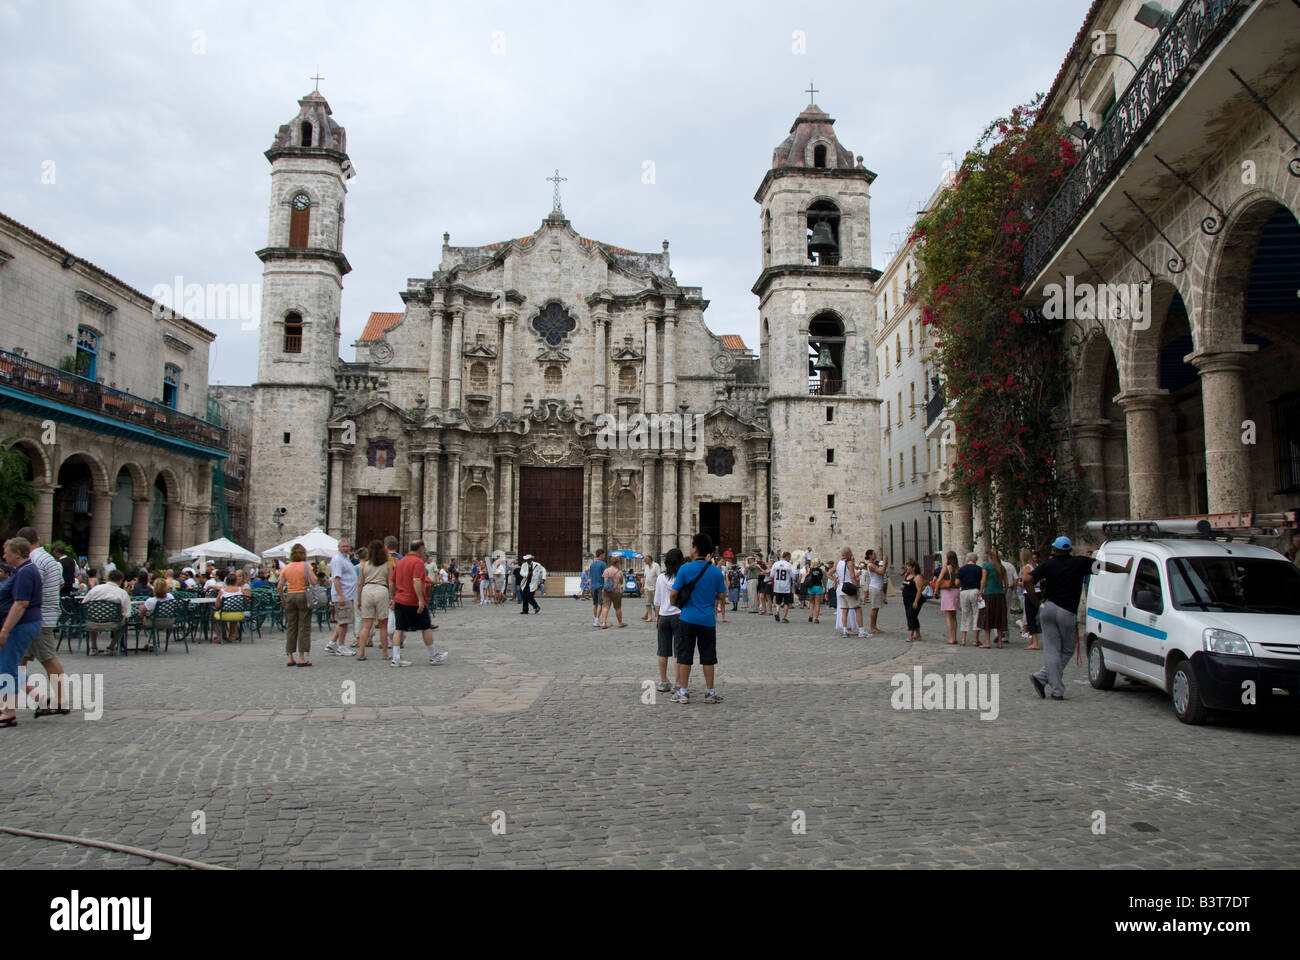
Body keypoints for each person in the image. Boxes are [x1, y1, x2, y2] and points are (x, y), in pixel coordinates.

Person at [1025, 536, 1132, 700]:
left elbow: (1027, 580)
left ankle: (1043, 678)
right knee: (1067, 649)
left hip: (1048, 608)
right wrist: (1125, 569)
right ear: (1069, 550)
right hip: (1066, 611)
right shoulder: (1080, 562)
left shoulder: (1048, 565)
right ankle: (1056, 688)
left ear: (1055, 549)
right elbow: (1103, 566)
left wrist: (1036, 602)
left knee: (1051, 649)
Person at [669, 533, 728, 704]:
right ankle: (710, 692)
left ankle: (683, 691)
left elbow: (674, 593)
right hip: (708, 619)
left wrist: (677, 605)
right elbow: (723, 595)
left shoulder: (685, 569)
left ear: (695, 548)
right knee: (708, 656)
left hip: (687, 617)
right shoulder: (716, 572)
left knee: (684, 655)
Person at [16, 527, 69, 715]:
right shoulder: (50, 559)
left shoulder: (34, 561)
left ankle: (60, 701)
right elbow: (61, 583)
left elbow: (31, 587)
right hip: (46, 614)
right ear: (37, 539)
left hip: (38, 616)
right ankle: (37, 697)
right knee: (17, 660)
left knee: (48, 658)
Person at [0, 538, 45, 728]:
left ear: (17, 553)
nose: (4, 555)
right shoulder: (24, 570)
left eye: (6, 551)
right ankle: (39, 698)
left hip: (20, 625)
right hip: (24, 624)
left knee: (6, 668)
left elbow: (21, 603)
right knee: (10, 664)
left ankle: (8, 712)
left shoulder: (25, 572)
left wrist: (5, 629)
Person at [389, 541, 447, 667]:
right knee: (425, 627)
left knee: (399, 628)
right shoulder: (418, 562)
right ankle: (433, 656)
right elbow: (416, 581)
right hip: (413, 601)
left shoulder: (401, 561)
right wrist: (421, 600)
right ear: (420, 549)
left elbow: (392, 582)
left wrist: (392, 598)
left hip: (399, 599)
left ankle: (396, 657)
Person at [653, 548, 684, 694]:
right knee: (678, 651)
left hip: (664, 616)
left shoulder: (660, 578)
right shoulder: (682, 577)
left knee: (662, 651)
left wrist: (657, 617)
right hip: (679, 615)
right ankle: (678, 683)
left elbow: (657, 601)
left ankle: (664, 681)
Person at [277, 545, 313, 666]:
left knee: (291, 626)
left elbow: (279, 586)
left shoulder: (287, 568)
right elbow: (314, 581)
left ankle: (290, 656)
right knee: (304, 626)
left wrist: (283, 599)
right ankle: (301, 657)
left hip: (291, 596)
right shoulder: (306, 566)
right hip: (303, 595)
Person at [83, 569, 133, 655]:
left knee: (93, 615)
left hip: (93, 622)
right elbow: (127, 613)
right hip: (113, 623)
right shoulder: (122, 593)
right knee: (122, 620)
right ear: (120, 580)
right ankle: (111, 646)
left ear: (108, 578)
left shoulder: (95, 589)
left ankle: (93, 646)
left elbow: (84, 603)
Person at [356, 540, 390, 661]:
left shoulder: (364, 564)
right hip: (381, 590)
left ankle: (361, 652)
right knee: (383, 626)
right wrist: (392, 598)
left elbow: (360, 583)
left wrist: (359, 599)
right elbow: (390, 582)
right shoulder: (387, 564)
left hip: (367, 590)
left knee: (366, 626)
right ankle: (385, 653)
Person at [829, 546, 864, 638]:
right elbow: (852, 577)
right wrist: (856, 589)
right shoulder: (849, 563)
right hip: (849, 588)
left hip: (841, 589)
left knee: (844, 610)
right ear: (848, 554)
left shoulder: (838, 563)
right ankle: (861, 631)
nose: (852, 554)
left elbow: (829, 573)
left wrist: (836, 580)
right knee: (857, 609)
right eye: (851, 552)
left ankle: (845, 630)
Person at [977, 546, 1008, 649]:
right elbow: (1006, 583)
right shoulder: (1001, 567)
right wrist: (1005, 592)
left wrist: (980, 592)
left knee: (987, 616)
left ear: (989, 556)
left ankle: (987, 642)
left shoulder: (987, 566)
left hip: (989, 593)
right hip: (1000, 594)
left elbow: (983, 580)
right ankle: (999, 642)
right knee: (999, 617)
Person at [214, 573, 248, 644]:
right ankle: (231, 636)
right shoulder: (240, 590)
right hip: (238, 614)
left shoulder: (222, 591)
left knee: (215, 615)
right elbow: (247, 600)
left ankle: (220, 636)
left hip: (224, 614)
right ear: (236, 581)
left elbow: (217, 605)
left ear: (226, 582)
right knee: (233, 613)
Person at [1019, 548, 1042, 651]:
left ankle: (1035, 642)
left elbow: (1025, 582)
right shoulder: (1036, 566)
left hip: (1029, 593)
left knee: (1030, 617)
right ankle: (1033, 640)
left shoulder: (1026, 568)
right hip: (1038, 591)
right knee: (1034, 615)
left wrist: (1018, 583)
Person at [901, 558, 927, 643]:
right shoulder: (907, 576)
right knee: (913, 616)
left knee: (911, 616)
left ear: (913, 567)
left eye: (908, 566)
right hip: (906, 600)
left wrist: (916, 601)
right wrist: (903, 588)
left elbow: (919, 590)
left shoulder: (918, 577)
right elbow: (905, 584)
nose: (907, 568)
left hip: (914, 599)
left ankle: (910, 636)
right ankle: (918, 634)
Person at [938, 551, 961, 645]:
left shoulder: (946, 568)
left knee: (948, 616)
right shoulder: (958, 569)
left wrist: (936, 590)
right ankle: (955, 636)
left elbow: (939, 580)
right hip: (956, 591)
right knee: (954, 616)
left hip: (947, 592)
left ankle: (951, 638)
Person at [865, 550, 888, 635]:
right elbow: (881, 572)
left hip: (878, 587)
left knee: (877, 608)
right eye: (874, 554)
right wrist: (885, 563)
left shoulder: (874, 564)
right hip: (875, 587)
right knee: (874, 608)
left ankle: (874, 626)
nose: (875, 555)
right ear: (870, 555)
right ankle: (872, 627)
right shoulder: (870, 565)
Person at [770, 550, 795, 623]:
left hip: (777, 586)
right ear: (787, 557)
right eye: (789, 557)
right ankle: (784, 617)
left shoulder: (776, 564)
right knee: (786, 603)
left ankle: (777, 612)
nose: (789, 559)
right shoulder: (789, 565)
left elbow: (771, 575)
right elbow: (793, 576)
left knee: (778, 602)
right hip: (786, 586)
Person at [600, 557, 625, 628]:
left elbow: (605, 580)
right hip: (616, 591)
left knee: (605, 607)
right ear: (617, 563)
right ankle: (620, 623)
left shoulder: (606, 570)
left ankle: (604, 623)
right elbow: (621, 582)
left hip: (606, 591)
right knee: (618, 608)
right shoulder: (619, 572)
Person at [587, 550, 607, 627]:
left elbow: (590, 578)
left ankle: (595, 618)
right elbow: (605, 576)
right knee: (600, 604)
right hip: (600, 586)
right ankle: (597, 620)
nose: (604, 557)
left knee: (594, 604)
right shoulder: (603, 564)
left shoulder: (592, 565)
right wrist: (605, 586)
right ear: (601, 555)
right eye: (604, 555)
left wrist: (590, 587)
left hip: (593, 586)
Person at [641, 551, 661, 623]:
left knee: (655, 603)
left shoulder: (656, 566)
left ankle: (657, 616)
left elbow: (659, 577)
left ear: (650, 559)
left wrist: (657, 587)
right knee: (647, 603)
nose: (644, 561)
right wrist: (642, 586)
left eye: (646, 559)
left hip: (654, 587)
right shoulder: (646, 566)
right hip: (647, 587)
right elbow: (645, 576)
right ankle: (649, 616)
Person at [805, 559, 825, 623]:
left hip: (811, 587)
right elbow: (823, 580)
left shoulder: (810, 570)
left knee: (811, 602)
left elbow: (807, 577)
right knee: (817, 603)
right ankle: (816, 618)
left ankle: (811, 615)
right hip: (818, 587)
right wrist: (825, 587)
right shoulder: (821, 570)